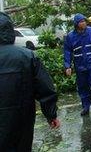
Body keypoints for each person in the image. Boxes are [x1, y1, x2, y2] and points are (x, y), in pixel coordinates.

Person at [0, 12, 60, 151]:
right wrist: (51, 115)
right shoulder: (27, 57)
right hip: (21, 123)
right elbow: (46, 89)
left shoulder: (28, 57)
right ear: (10, 31)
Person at [64, 13, 91, 116]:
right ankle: (86, 107)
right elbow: (67, 52)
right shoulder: (70, 36)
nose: (84, 23)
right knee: (83, 87)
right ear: (76, 24)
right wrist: (67, 66)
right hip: (80, 66)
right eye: (81, 22)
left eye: (84, 21)